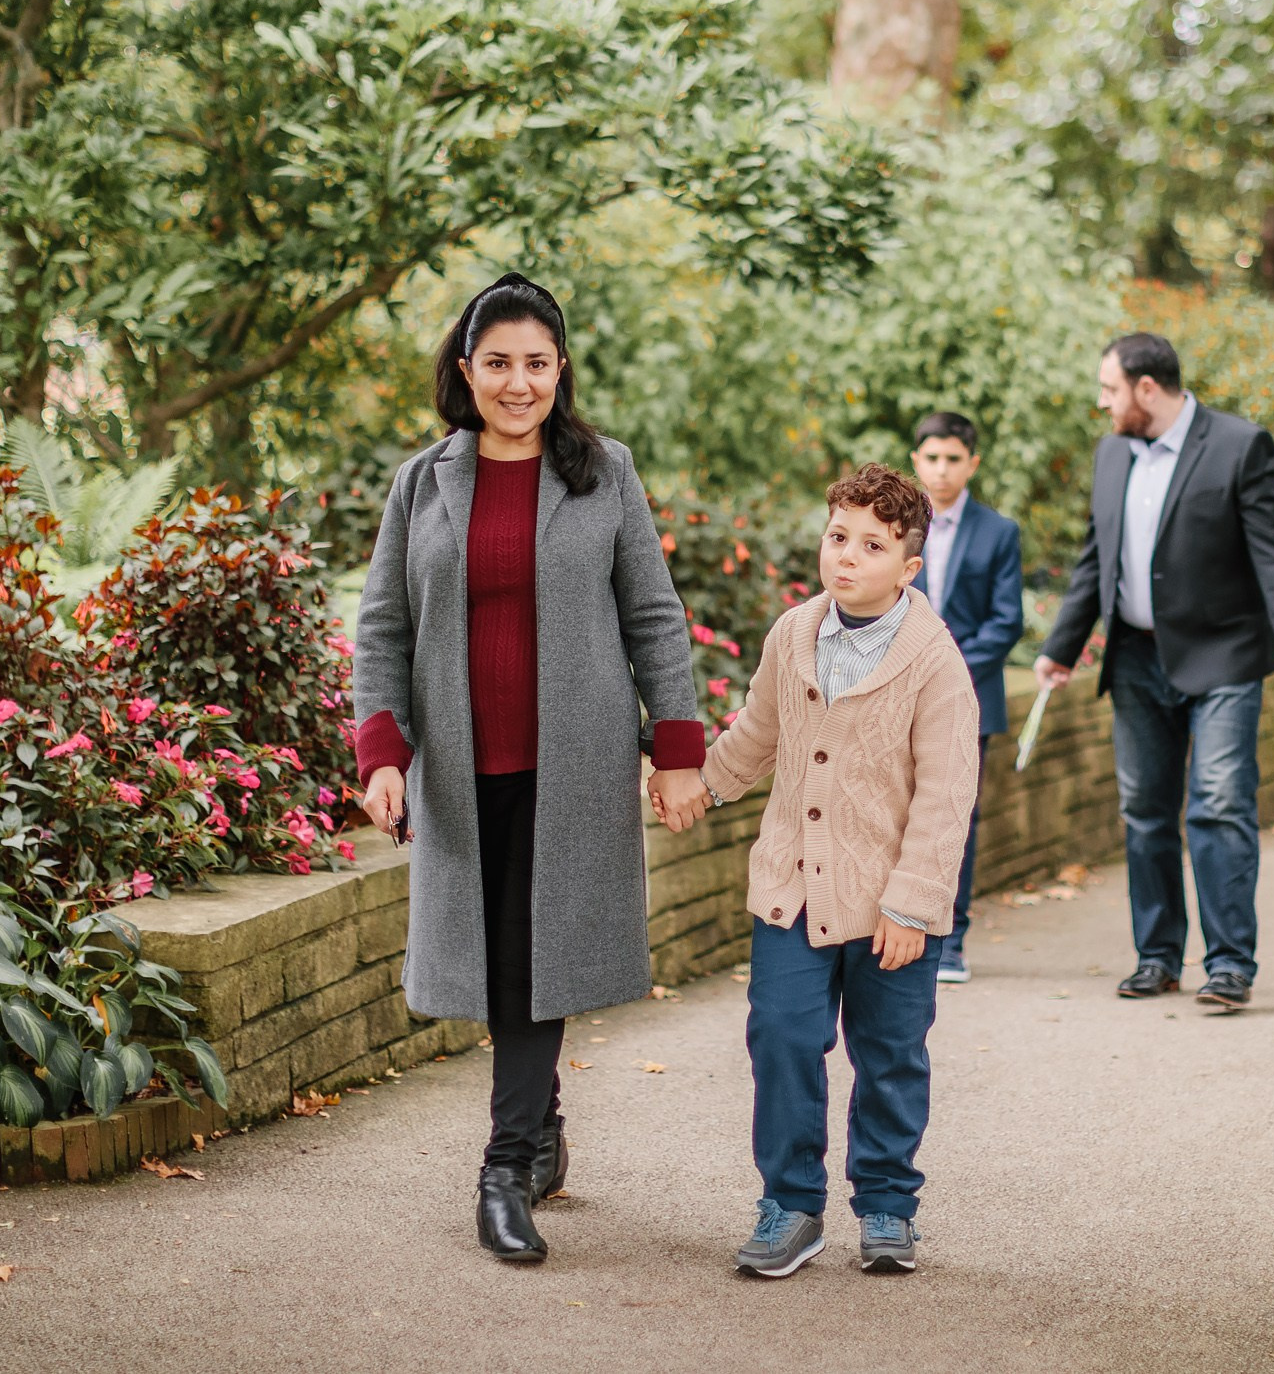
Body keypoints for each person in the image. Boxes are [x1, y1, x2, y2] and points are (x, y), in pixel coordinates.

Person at [351, 272, 713, 1266]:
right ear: (465, 371)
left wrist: (675, 750)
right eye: (498, 363)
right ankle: (540, 1125)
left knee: (530, 959)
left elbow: (653, 616)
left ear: (561, 371)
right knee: (508, 963)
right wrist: (382, 752)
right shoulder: (421, 484)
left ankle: (503, 1169)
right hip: (464, 775)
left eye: (537, 364)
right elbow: (382, 624)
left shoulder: (605, 474)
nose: (519, 383)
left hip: (576, 769)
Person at [698, 464, 981, 1280]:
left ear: (909, 566)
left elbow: (946, 794)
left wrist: (915, 903)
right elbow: (757, 732)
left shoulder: (934, 662)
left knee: (890, 1053)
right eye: (837, 537)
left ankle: (888, 1202)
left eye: (871, 545)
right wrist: (699, 787)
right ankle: (790, 1203)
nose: (846, 556)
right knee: (782, 1034)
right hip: (792, 881)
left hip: (894, 901)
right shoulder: (793, 634)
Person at [1033, 332, 1274, 1011]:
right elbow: (1094, 560)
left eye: (1109, 388)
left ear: (1146, 388)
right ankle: (1158, 956)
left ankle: (1228, 965)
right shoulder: (1112, 452)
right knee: (1144, 812)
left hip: (1224, 656)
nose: (1101, 401)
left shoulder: (1238, 445)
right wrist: (1061, 645)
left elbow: (1273, 556)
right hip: (1136, 657)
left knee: (1219, 804)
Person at [906, 412, 1024, 983]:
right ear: (916, 462)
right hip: (895, 698)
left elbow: (1006, 623)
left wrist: (943, 671)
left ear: (971, 463)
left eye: (953, 458)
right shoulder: (896, 528)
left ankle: (950, 941)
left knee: (957, 819)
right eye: (932, 458)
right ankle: (902, 927)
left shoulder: (999, 533)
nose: (942, 469)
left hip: (970, 699)